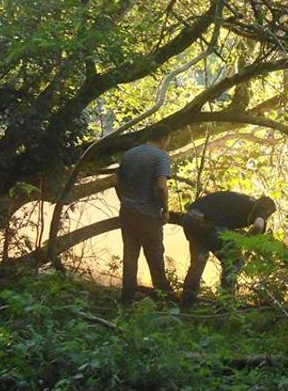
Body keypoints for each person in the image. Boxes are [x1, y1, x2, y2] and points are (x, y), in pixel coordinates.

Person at [176, 191, 277, 308]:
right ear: (269, 210)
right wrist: (244, 242)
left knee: (199, 261)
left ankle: (188, 300)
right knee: (235, 260)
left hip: (190, 218)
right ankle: (227, 302)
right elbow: (258, 226)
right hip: (205, 222)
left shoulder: (242, 201)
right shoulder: (261, 206)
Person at [115, 124, 173, 305]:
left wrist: (124, 200)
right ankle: (163, 299)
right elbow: (161, 187)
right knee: (155, 255)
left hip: (127, 212)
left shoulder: (130, 154)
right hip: (148, 215)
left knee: (130, 254)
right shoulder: (161, 156)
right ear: (164, 139)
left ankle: (127, 298)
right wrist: (165, 209)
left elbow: (117, 183)